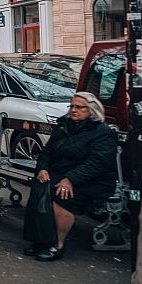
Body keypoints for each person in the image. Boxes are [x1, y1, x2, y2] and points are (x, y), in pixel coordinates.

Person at [26, 91, 116, 262]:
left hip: (93, 179)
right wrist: (43, 169)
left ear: (91, 110)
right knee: (39, 187)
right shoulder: (64, 126)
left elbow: (98, 163)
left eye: (79, 107)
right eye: (72, 106)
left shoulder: (101, 132)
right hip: (63, 173)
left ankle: (57, 244)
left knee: (61, 194)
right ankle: (41, 239)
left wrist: (71, 179)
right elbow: (48, 151)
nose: (74, 110)